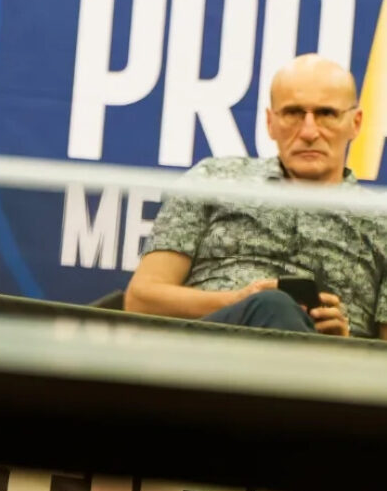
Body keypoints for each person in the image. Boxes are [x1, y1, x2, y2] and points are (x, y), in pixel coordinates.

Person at [126, 54, 387, 340]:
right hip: (203, 349)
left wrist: (345, 344)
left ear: (356, 123)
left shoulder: (380, 217)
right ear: (270, 122)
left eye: (326, 114)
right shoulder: (215, 178)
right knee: (273, 305)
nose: (309, 132)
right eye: (293, 113)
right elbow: (141, 299)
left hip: (326, 360)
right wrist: (240, 299)